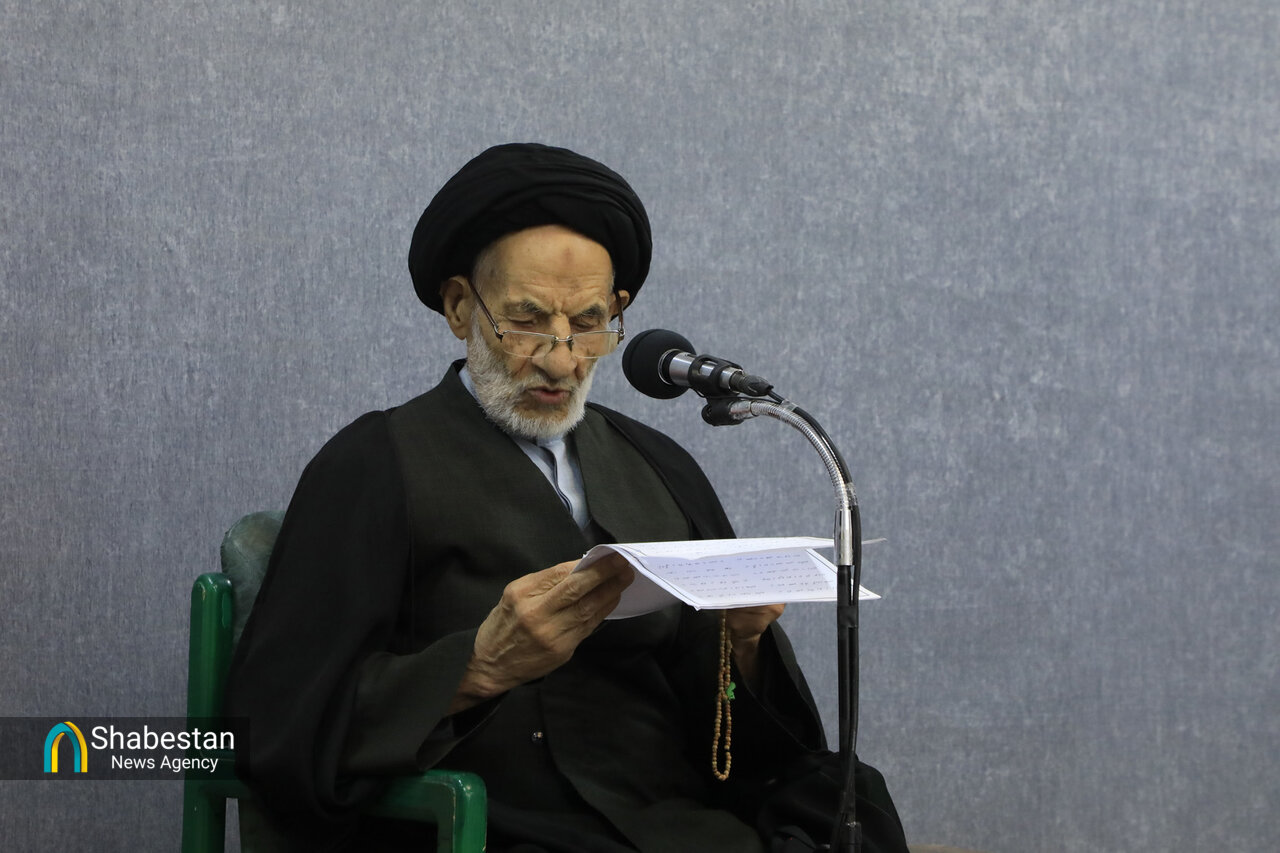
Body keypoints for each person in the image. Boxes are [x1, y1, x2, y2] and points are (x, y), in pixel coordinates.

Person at [225, 143, 908, 852]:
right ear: (459, 307)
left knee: (848, 808)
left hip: (668, 822)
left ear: (618, 311)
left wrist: (741, 644)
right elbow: (273, 724)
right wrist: (476, 665)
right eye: (526, 320)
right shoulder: (375, 464)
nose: (559, 358)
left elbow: (739, 737)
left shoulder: (656, 463)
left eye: (586, 323)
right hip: (497, 825)